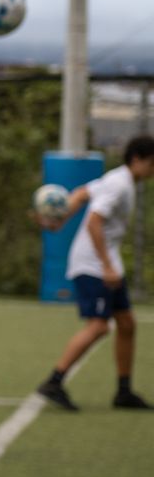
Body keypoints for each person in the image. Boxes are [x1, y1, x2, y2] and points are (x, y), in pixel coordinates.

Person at [36, 135, 154, 411]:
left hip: (105, 263)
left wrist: (59, 221)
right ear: (136, 159)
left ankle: (123, 391)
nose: (153, 171)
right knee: (99, 325)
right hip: (94, 266)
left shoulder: (118, 179)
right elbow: (93, 222)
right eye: (151, 164)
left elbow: (79, 194)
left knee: (126, 324)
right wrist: (107, 266)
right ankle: (54, 381)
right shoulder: (120, 185)